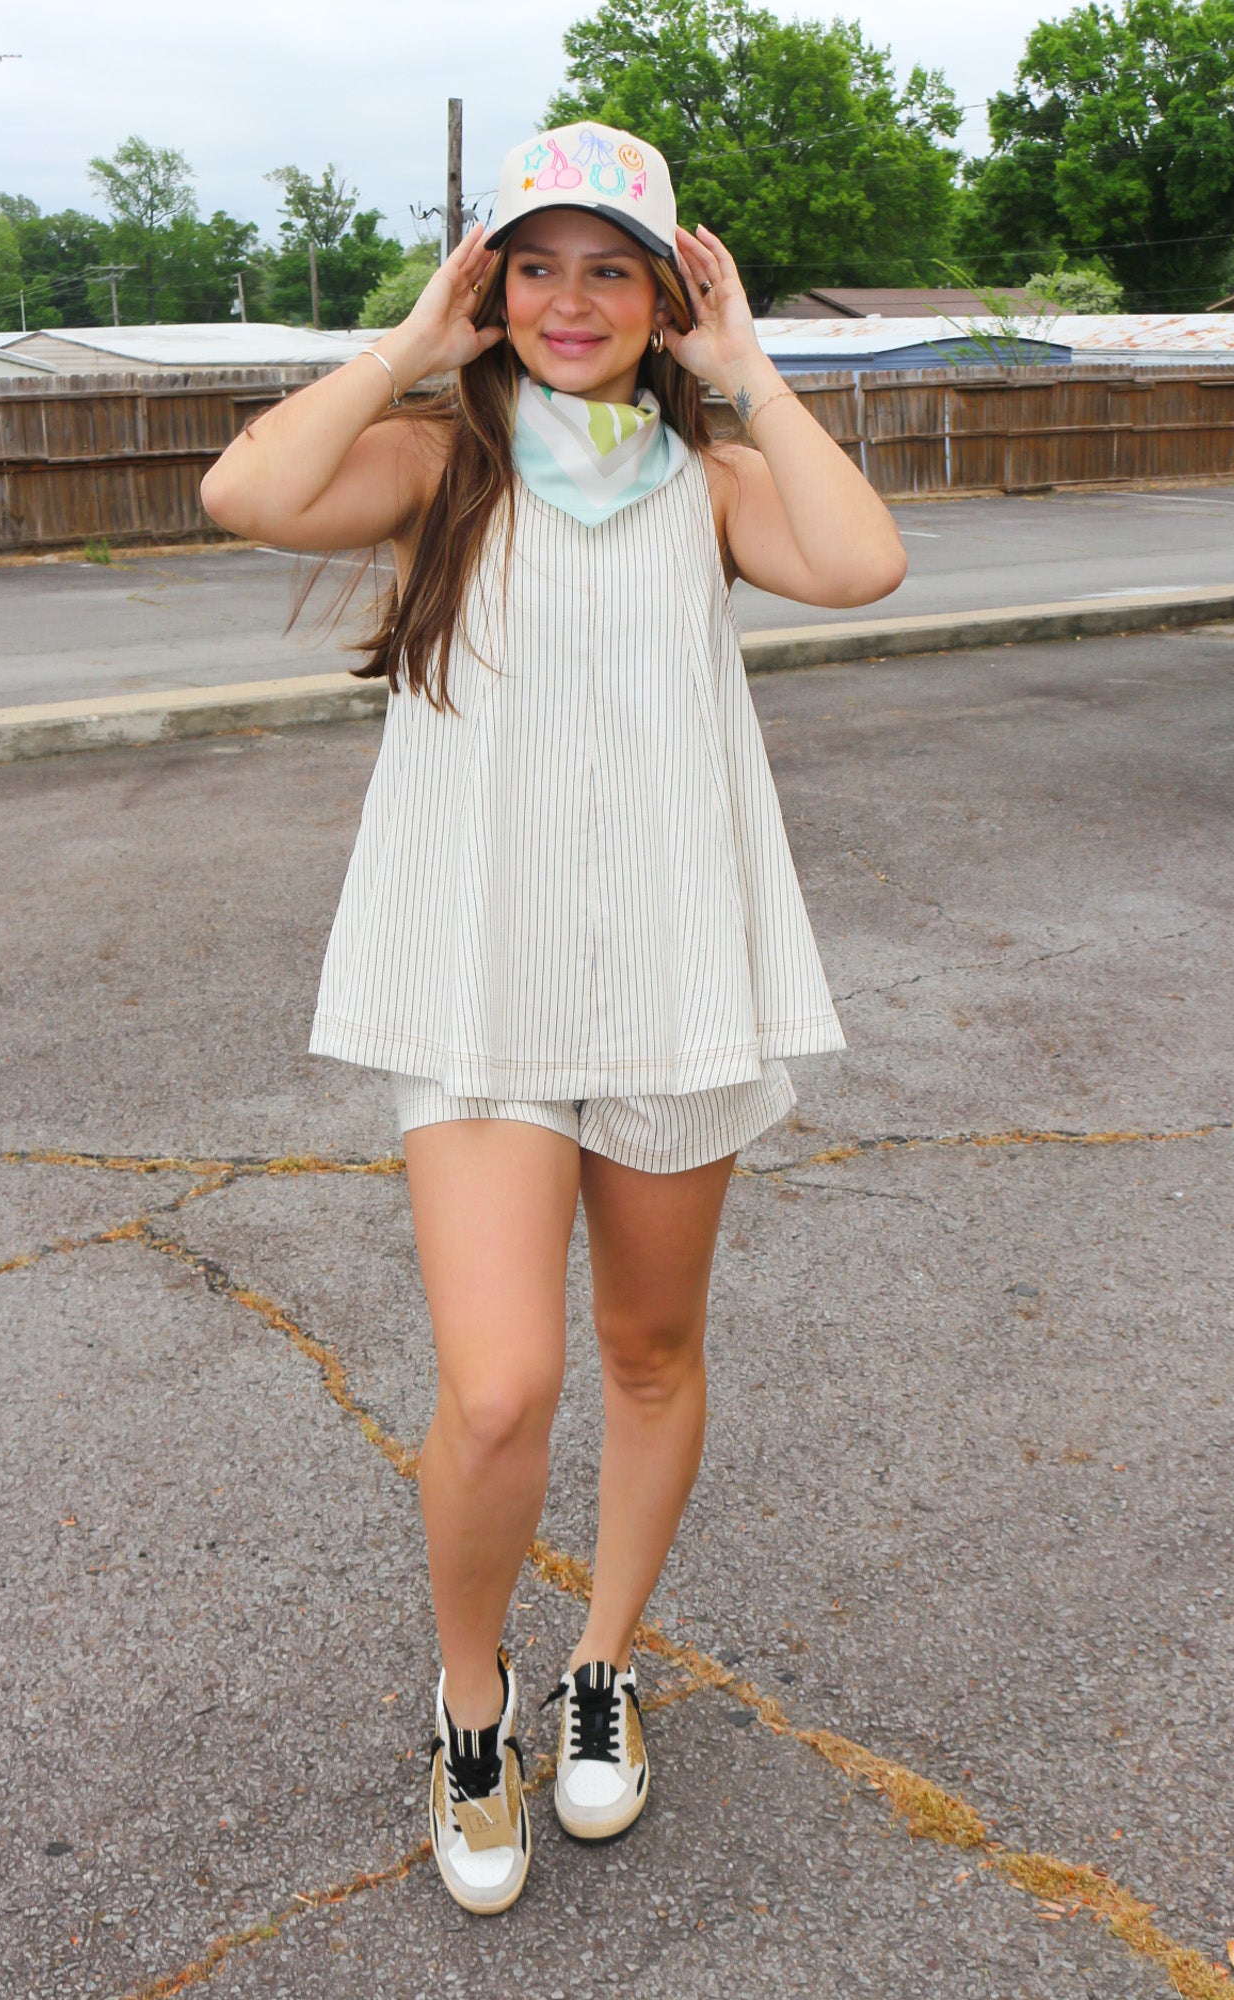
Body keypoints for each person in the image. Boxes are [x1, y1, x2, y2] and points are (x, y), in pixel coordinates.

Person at [201, 120, 906, 1917]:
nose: (570, 301)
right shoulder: (441, 458)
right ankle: (470, 1703)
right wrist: (405, 345)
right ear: (491, 287)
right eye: (536, 267)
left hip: (676, 975)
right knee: (502, 1386)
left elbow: (860, 565)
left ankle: (601, 1666)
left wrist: (750, 375)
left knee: (651, 1350)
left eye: (611, 269)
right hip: (481, 980)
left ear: (664, 295)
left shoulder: (707, 479)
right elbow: (246, 494)